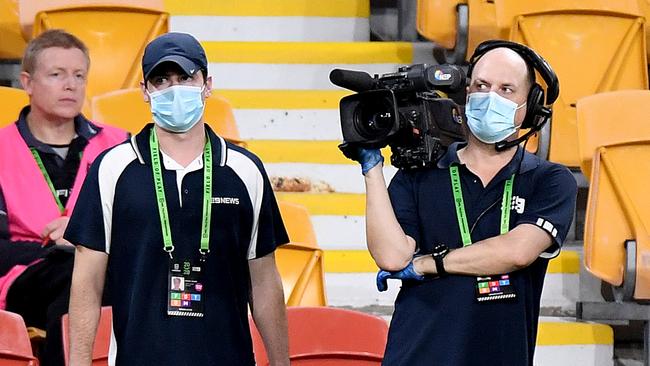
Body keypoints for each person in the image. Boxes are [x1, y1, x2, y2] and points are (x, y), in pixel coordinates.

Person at [65, 32, 290, 366]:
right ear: (145, 91)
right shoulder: (112, 168)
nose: (174, 88)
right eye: (160, 80)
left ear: (207, 85)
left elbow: (264, 279)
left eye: (185, 77)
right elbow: (87, 280)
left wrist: (281, 362)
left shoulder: (245, 170)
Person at [351, 40, 577, 365]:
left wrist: (427, 264)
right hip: (415, 355)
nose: (490, 97)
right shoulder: (420, 172)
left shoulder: (550, 181)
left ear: (531, 106)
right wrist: (372, 171)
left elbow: (517, 252)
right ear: (467, 92)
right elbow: (391, 256)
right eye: (482, 86)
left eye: (506, 89)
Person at [0, 29, 127, 366]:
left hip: (104, 268)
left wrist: (83, 238)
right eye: (56, 75)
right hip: (24, 275)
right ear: (27, 82)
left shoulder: (120, 146)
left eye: (79, 75)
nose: (71, 84)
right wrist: (58, 248)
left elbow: (149, 225)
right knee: (80, 278)